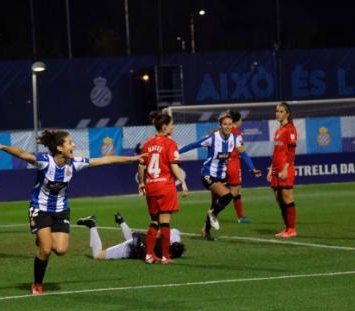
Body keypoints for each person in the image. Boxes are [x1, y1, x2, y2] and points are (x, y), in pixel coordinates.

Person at [0, 130, 145, 295]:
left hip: (61, 210)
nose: (74, 145)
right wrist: (3, 147)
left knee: (61, 250)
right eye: (70, 143)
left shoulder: (75, 163)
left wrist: (132, 159)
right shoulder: (45, 162)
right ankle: (37, 284)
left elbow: (105, 160)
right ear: (59, 147)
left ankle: (42, 238)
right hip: (39, 208)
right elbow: (22, 154)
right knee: (46, 250)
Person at [179, 112, 243, 241]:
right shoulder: (213, 138)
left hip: (221, 176)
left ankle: (206, 231)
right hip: (207, 174)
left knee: (215, 203)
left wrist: (252, 168)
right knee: (227, 196)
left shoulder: (234, 139)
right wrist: (176, 152)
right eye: (225, 124)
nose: (228, 126)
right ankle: (212, 214)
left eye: (230, 124)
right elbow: (194, 145)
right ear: (220, 125)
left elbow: (244, 154)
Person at [138, 111, 188, 263]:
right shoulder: (170, 143)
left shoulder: (147, 144)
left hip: (151, 186)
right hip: (165, 186)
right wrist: (183, 181)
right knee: (165, 221)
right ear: (165, 127)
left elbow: (141, 167)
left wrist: (141, 183)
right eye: (171, 125)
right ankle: (166, 256)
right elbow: (174, 166)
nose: (173, 127)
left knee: (154, 221)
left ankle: (148, 255)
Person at [76, 212, 185, 261]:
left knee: (131, 240)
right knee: (97, 255)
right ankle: (92, 225)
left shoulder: (174, 236)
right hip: (133, 247)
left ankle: (120, 221)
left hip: (138, 241)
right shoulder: (164, 253)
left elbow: (168, 231)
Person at [266, 102, 298, 238]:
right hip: (276, 169)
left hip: (286, 169)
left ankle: (292, 229)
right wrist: (270, 169)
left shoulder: (290, 129)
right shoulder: (278, 131)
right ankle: (286, 228)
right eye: (277, 111)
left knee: (287, 198)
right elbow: (276, 152)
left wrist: (285, 168)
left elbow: (291, 152)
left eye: (281, 111)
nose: (278, 113)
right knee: (279, 199)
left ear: (287, 114)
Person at [225, 110, 262, 223]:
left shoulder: (224, 131)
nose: (242, 121)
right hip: (233, 165)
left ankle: (240, 217)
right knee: (234, 192)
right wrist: (252, 168)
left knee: (236, 191)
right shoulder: (236, 133)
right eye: (241, 119)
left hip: (223, 164)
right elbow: (243, 153)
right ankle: (214, 211)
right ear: (237, 121)